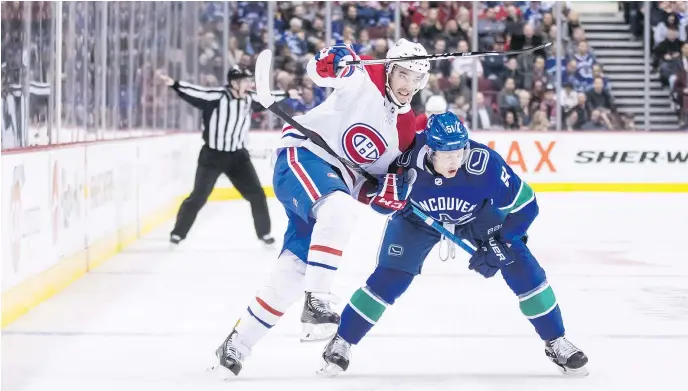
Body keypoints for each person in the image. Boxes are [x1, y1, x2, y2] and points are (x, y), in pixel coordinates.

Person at [211, 39, 430, 378]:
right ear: (389, 68)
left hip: (331, 186)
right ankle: (318, 301)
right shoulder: (365, 75)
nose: (407, 85)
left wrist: (384, 194)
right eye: (402, 73)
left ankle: (236, 345)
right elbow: (321, 71)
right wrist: (333, 60)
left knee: (296, 269)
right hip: (303, 156)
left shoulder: (404, 131)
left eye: (416, 79)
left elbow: (367, 185)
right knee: (340, 210)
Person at [319, 112, 589, 377]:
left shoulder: (485, 165)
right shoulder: (403, 158)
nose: (455, 161)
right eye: (447, 155)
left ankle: (556, 341)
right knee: (390, 279)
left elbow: (528, 206)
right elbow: (373, 200)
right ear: (429, 151)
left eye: (459, 152)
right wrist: (386, 196)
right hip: (416, 219)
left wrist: (503, 243)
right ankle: (343, 340)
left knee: (522, 267)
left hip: (478, 216)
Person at [161, 67, 274, 247]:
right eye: (246, 81)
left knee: (257, 195)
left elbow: (270, 98)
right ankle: (178, 234)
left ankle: (264, 234)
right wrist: (174, 84)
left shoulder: (250, 98)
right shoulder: (217, 96)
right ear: (234, 83)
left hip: (238, 157)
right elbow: (196, 93)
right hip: (212, 156)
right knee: (198, 197)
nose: (250, 84)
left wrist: (289, 94)